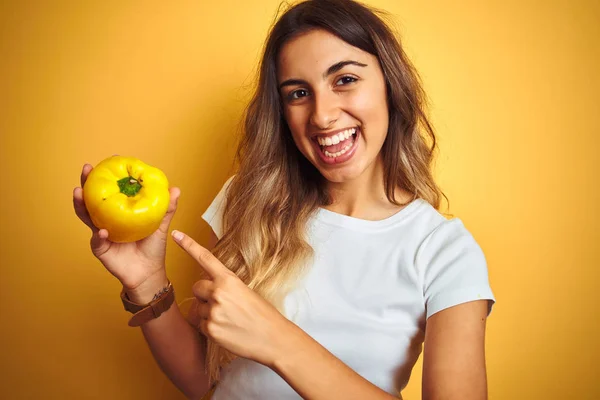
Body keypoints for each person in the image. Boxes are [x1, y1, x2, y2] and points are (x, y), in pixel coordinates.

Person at [73, 0, 496, 399]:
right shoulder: (250, 200)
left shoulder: (444, 252)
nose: (322, 115)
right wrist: (147, 285)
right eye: (298, 93)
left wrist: (277, 340)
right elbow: (209, 382)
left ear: (390, 84)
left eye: (344, 80)